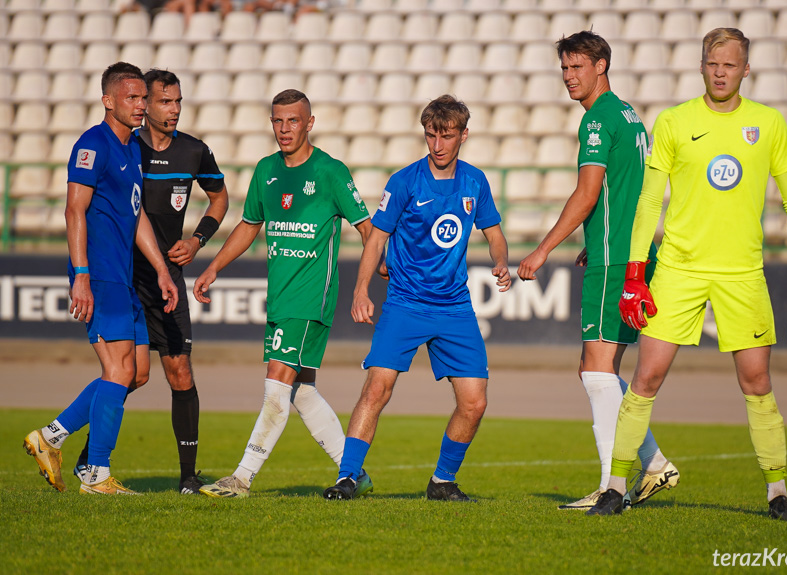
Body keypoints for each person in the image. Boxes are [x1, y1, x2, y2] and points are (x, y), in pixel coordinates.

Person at [587, 28, 787, 519]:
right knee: (646, 377)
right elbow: (648, 201)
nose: (720, 71)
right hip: (679, 269)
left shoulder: (767, 124)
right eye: (712, 62)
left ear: (746, 69)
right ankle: (615, 487)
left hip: (742, 273)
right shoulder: (675, 122)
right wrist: (637, 272)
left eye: (730, 64)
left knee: (757, 382)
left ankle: (778, 493)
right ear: (701, 65)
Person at [517, 31, 677, 511]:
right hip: (626, 252)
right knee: (597, 369)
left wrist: (543, 250)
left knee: (596, 371)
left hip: (614, 260)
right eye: (564, 68)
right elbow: (629, 192)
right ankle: (651, 466)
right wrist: (604, 238)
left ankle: (614, 484)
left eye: (578, 67)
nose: (569, 77)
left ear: (602, 65)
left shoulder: (596, 121)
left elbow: (588, 194)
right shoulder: (629, 115)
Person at [323, 95, 512, 502]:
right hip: (406, 303)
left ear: (464, 135)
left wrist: (501, 262)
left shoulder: (475, 181)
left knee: (474, 403)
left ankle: (442, 481)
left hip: (454, 307)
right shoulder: (404, 181)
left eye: (446, 136)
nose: (437, 145)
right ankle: (348, 477)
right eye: (431, 135)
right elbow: (376, 240)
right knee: (377, 388)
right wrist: (361, 290)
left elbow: (495, 235)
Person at [193, 89, 377, 498]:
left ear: (309, 123)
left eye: (293, 121)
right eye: (278, 121)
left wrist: (374, 273)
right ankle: (355, 474)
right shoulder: (266, 170)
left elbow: (367, 229)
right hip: (281, 296)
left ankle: (241, 477)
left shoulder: (330, 171)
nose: (284, 129)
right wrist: (213, 266)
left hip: (312, 298)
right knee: (301, 390)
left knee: (277, 383)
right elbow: (248, 225)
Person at [23, 62, 179, 495]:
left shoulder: (132, 148)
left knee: (137, 373)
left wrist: (162, 270)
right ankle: (95, 473)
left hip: (125, 278)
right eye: (132, 98)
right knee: (117, 370)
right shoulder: (92, 144)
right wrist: (82, 275)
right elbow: (74, 210)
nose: (141, 105)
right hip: (101, 275)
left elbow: (136, 214)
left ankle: (51, 437)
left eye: (144, 98)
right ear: (108, 100)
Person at [71, 69, 229, 494]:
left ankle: (188, 476)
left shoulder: (194, 151)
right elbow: (83, 207)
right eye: (163, 101)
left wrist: (197, 240)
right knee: (125, 374)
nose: (171, 109)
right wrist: (82, 273)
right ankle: (91, 462)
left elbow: (220, 196)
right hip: (124, 274)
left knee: (177, 371)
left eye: (177, 102)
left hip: (165, 276)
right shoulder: (125, 146)